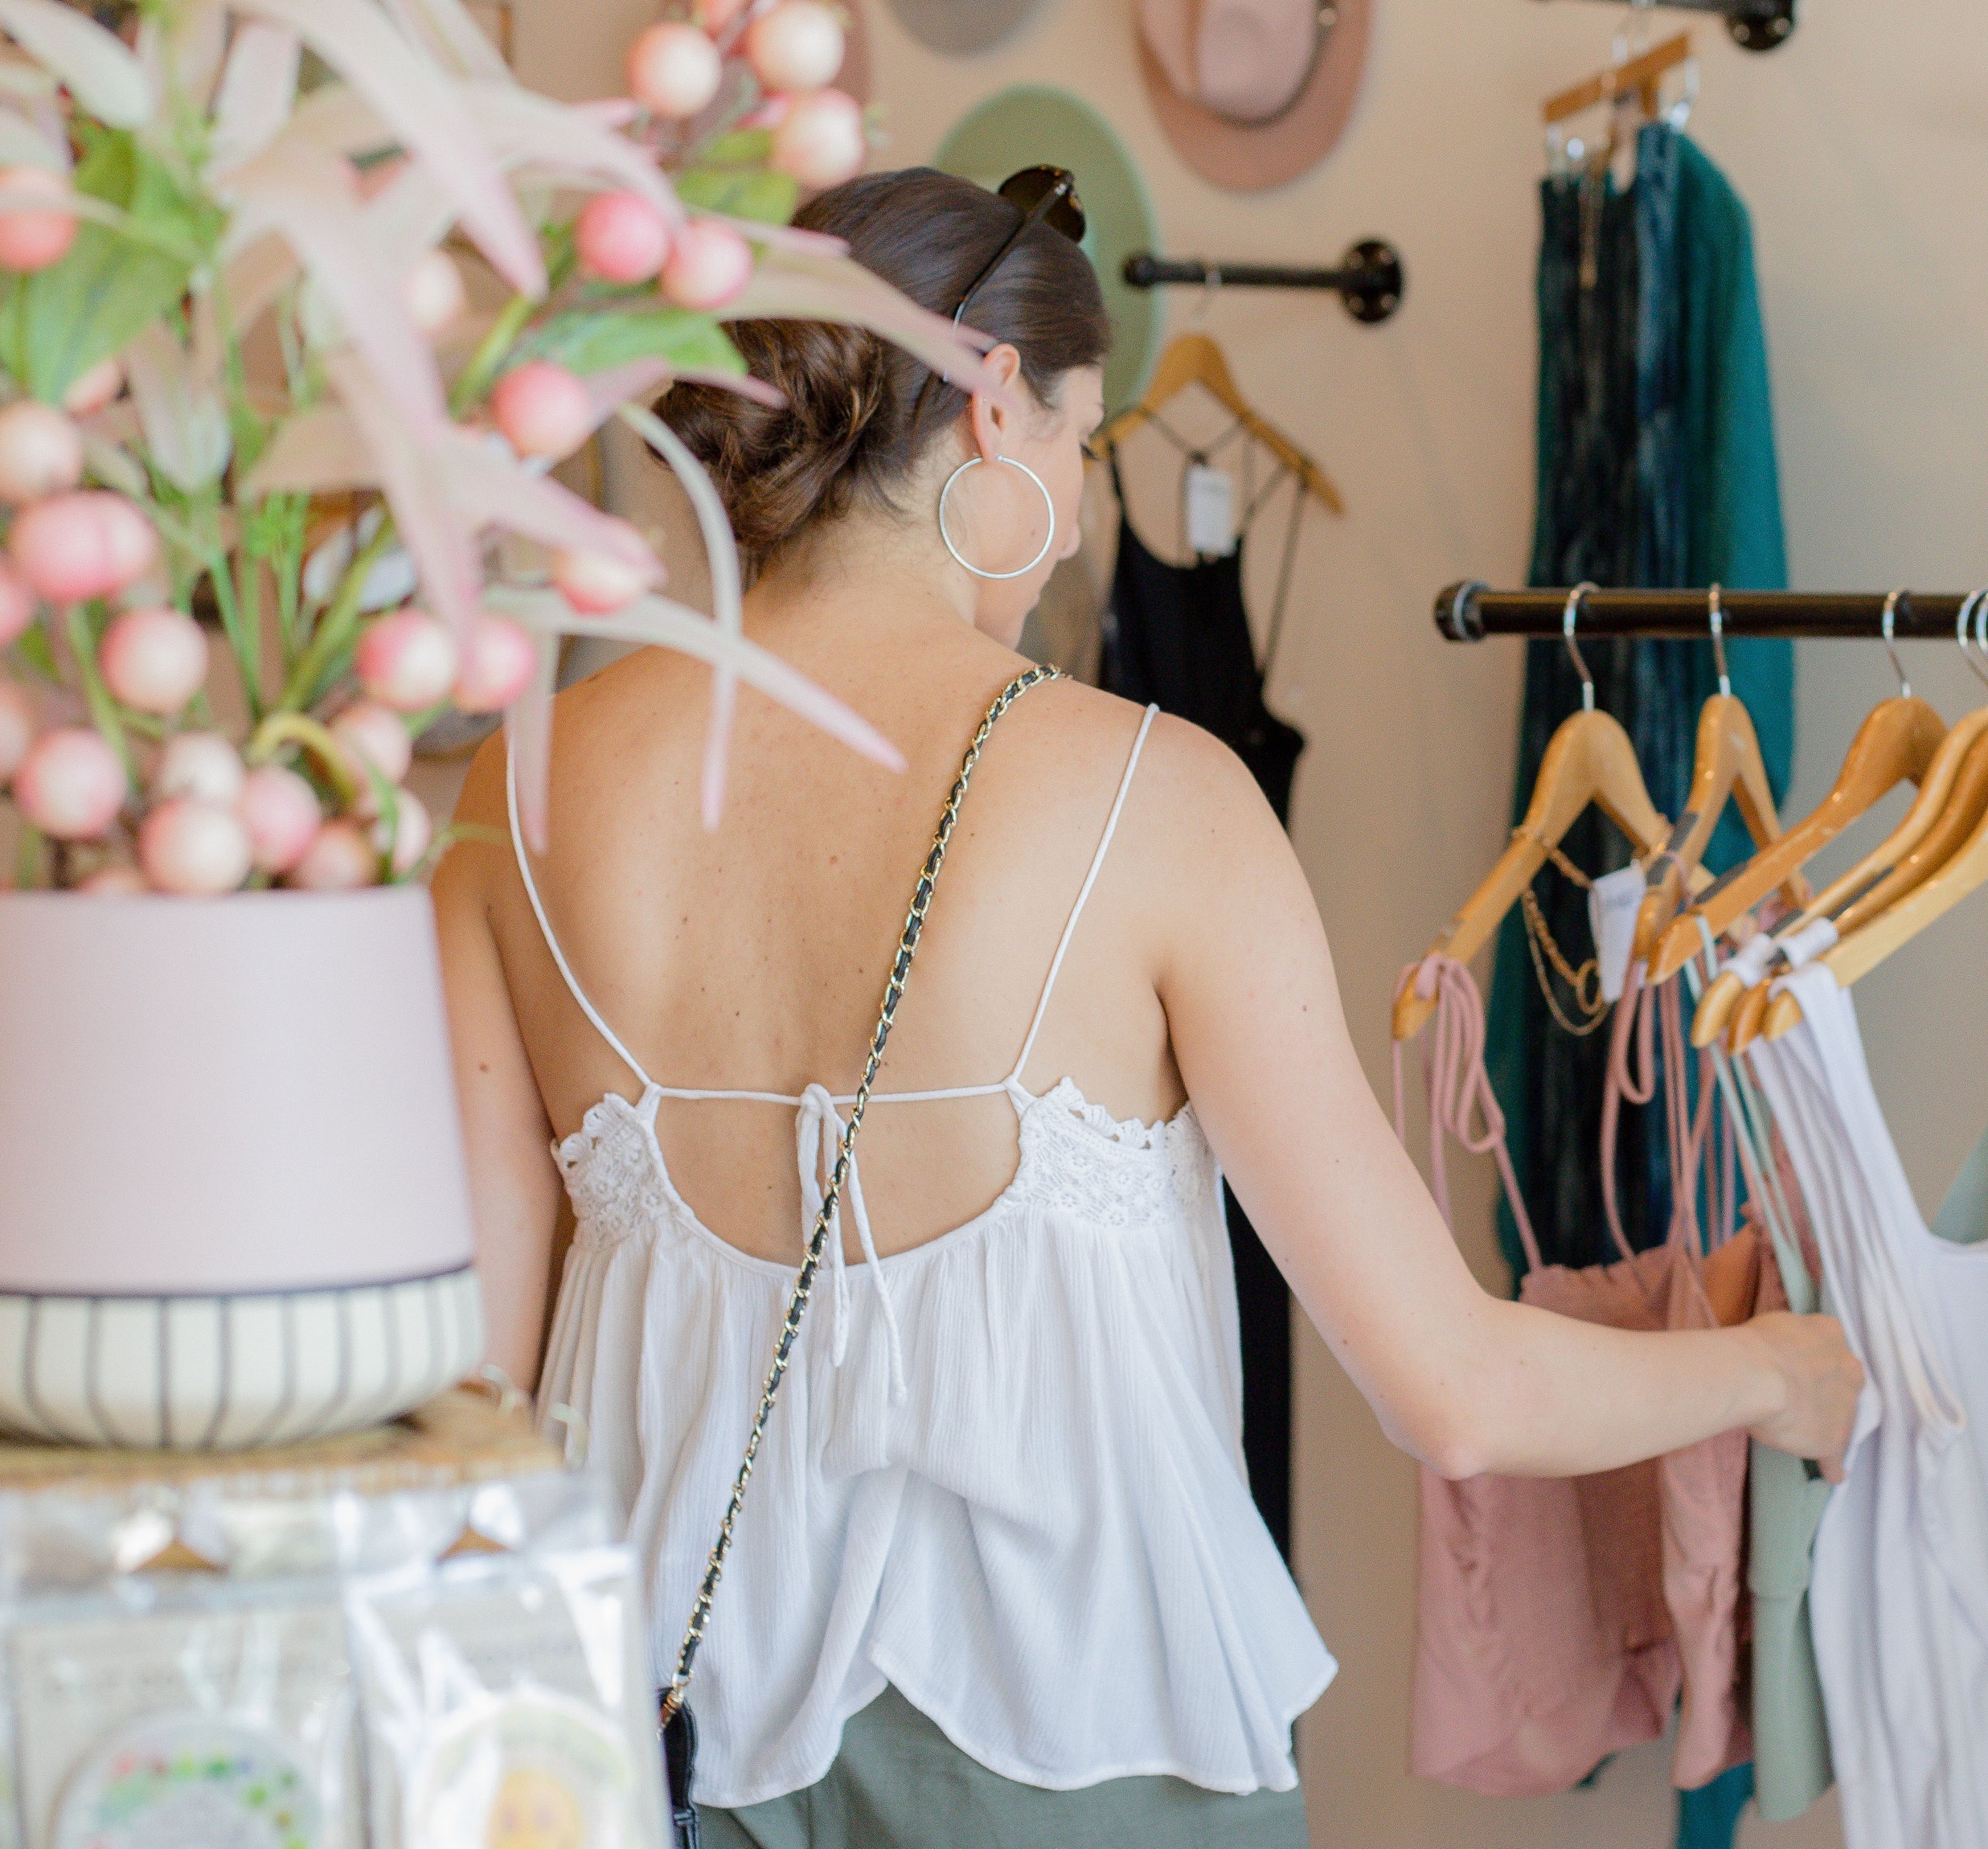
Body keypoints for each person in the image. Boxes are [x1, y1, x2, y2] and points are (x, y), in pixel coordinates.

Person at [434, 166, 1862, 1847]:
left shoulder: (511, 793)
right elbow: (1454, 1387)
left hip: (639, 1738)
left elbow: (476, 1390)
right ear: (986, 402)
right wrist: (1776, 1368)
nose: (1081, 504)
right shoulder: (1148, 798)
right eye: (1078, 445)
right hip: (1079, 1748)